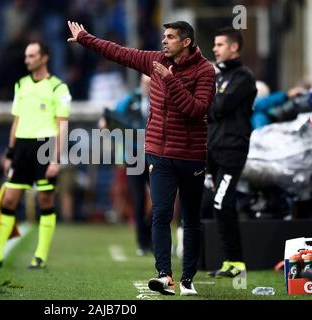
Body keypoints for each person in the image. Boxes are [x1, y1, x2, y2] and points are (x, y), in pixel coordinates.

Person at [68, 20, 215, 296]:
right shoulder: (154, 61)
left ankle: (188, 280)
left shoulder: (205, 70)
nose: (164, 41)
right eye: (164, 36)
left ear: (186, 42)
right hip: (158, 155)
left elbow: (197, 110)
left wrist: (171, 81)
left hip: (191, 156)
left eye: (170, 37)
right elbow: (119, 52)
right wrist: (85, 38)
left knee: (190, 219)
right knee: (160, 214)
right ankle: (165, 276)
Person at [0, 41, 71, 269]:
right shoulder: (21, 85)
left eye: (32, 55)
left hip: (44, 146)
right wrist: (9, 151)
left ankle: (40, 256)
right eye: (26, 56)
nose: (27, 59)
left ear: (44, 58)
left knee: (45, 200)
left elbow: (63, 125)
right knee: (8, 199)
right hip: (22, 149)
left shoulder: (58, 88)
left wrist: (57, 158)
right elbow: (16, 121)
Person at [207, 27, 257, 278]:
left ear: (234, 47)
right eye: (215, 44)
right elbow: (208, 108)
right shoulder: (218, 76)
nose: (215, 48)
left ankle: (236, 262)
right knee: (212, 203)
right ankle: (226, 261)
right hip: (212, 151)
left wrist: (209, 101)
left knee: (221, 202)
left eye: (220, 44)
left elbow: (220, 106)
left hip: (232, 152)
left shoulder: (244, 77)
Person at [104, 74, 153, 256]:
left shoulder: (163, 98)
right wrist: (106, 123)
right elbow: (112, 117)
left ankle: (153, 237)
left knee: (160, 200)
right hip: (134, 156)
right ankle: (143, 242)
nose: (147, 86)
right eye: (145, 82)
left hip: (155, 155)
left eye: (150, 82)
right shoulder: (130, 100)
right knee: (139, 200)